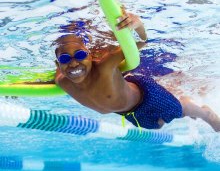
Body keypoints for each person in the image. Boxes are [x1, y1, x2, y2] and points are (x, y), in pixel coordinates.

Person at [54, 9, 220, 132]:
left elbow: (140, 42)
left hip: (146, 96)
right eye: (65, 59)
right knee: (157, 125)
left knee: (179, 110)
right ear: (58, 63)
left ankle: (205, 114)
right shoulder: (62, 80)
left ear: (90, 56)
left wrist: (138, 25)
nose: (74, 64)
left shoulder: (104, 67)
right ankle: (186, 101)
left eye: (80, 55)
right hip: (125, 111)